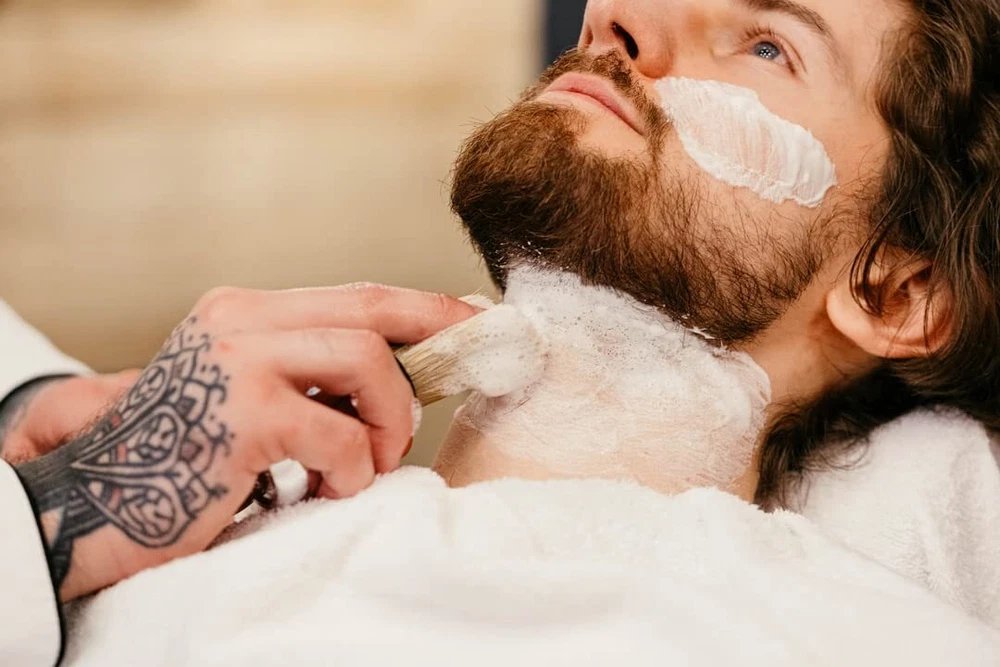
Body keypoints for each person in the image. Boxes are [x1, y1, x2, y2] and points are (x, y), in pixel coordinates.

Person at [3, 0, 999, 662]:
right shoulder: (159, 525)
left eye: (769, 44)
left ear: (896, 290)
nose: (617, 14)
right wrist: (65, 491)